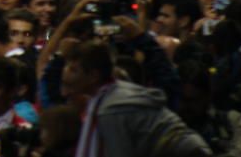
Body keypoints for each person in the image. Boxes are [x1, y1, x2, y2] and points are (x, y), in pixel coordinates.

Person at [63, 41, 211, 156]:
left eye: (74, 69)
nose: (66, 74)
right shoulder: (113, 95)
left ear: (93, 76)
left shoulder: (110, 109)